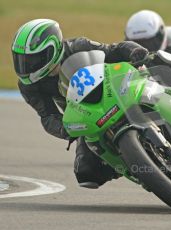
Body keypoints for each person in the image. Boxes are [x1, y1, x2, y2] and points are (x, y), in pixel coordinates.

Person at [11, 19, 149, 189]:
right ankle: (134, 166)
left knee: (163, 62)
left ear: (52, 49)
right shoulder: (28, 85)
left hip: (115, 91)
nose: (26, 66)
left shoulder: (78, 45)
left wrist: (134, 51)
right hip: (86, 115)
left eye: (33, 60)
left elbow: (114, 50)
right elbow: (47, 116)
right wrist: (65, 129)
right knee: (86, 173)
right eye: (21, 59)